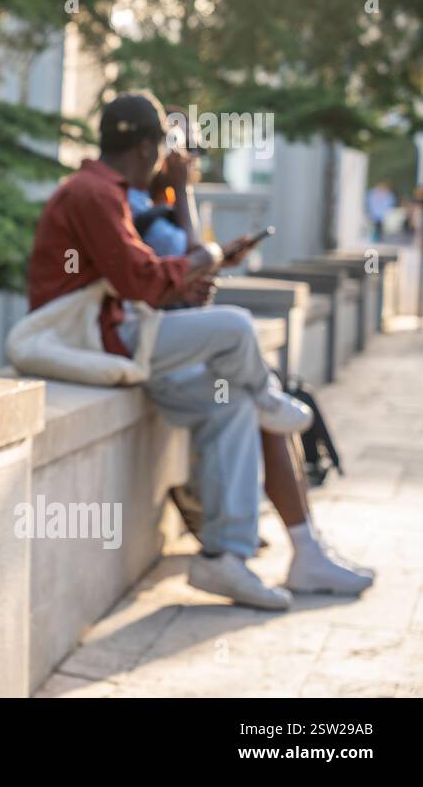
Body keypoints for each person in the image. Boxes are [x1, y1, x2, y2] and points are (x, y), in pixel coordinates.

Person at [27, 90, 336, 610]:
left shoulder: (104, 189)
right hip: (99, 335)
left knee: (228, 404)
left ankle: (224, 559)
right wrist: (209, 256)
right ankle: (270, 400)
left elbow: (139, 274)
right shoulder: (94, 192)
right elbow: (140, 277)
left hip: (117, 328)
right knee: (236, 328)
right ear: (148, 147)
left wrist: (188, 277)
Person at [128, 108, 374, 597]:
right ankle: (297, 547)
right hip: (160, 351)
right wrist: (185, 196)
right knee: (256, 389)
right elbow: (191, 261)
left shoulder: (154, 206)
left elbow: (194, 270)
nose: (191, 165)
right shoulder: (140, 207)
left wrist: (212, 256)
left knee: (251, 398)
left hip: (178, 346)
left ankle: (289, 549)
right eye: (185, 155)